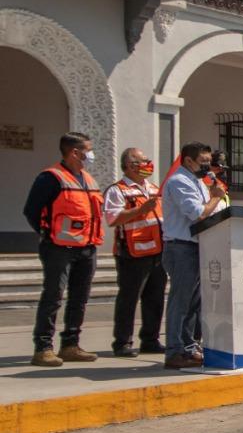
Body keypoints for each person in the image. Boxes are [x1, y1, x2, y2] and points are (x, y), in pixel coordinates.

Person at [23, 131, 105, 367]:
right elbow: (32, 210)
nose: (91, 154)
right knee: (53, 296)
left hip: (87, 247)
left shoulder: (88, 179)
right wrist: (48, 234)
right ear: (75, 152)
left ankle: (70, 344)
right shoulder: (50, 178)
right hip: (58, 248)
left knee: (79, 298)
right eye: (88, 150)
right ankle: (43, 347)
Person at [161, 141, 227, 369]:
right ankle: (174, 350)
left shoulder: (197, 181)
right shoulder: (179, 181)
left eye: (209, 162)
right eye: (204, 162)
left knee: (193, 302)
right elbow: (198, 213)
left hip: (197, 247)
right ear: (188, 160)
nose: (208, 167)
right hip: (181, 248)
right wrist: (216, 197)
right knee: (181, 302)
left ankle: (189, 347)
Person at [102, 148, 167, 358]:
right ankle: (122, 342)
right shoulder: (117, 190)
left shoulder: (153, 188)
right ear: (130, 165)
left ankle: (150, 339)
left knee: (155, 299)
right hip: (131, 253)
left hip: (157, 251)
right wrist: (140, 210)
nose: (149, 164)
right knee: (128, 299)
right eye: (144, 161)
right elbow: (113, 219)